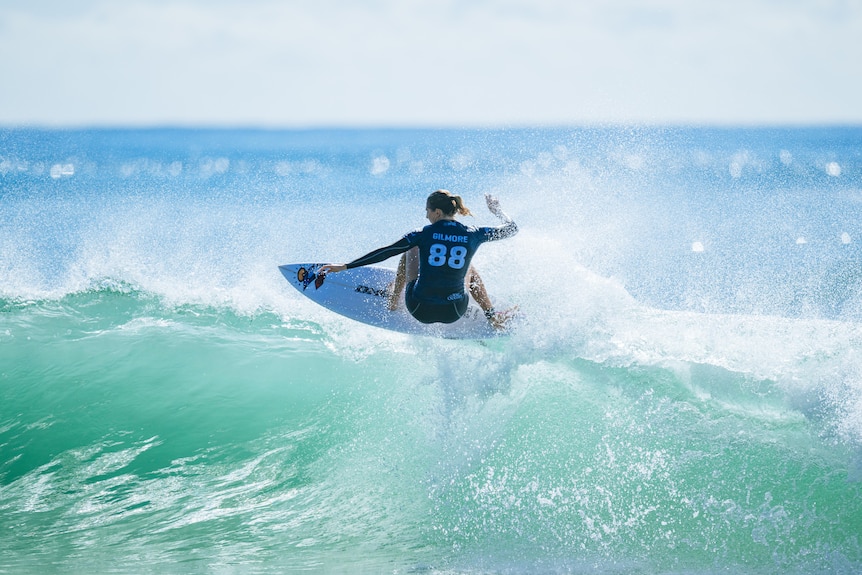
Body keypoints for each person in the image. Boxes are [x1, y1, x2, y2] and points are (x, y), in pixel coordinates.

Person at [320, 190, 518, 327]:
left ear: (437, 212)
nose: (426, 216)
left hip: (419, 308)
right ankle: (492, 317)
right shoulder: (474, 233)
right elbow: (512, 229)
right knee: (469, 267)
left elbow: (387, 251)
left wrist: (346, 266)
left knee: (410, 249)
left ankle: (393, 300)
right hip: (455, 310)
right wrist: (497, 210)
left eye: (428, 211)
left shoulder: (423, 233)